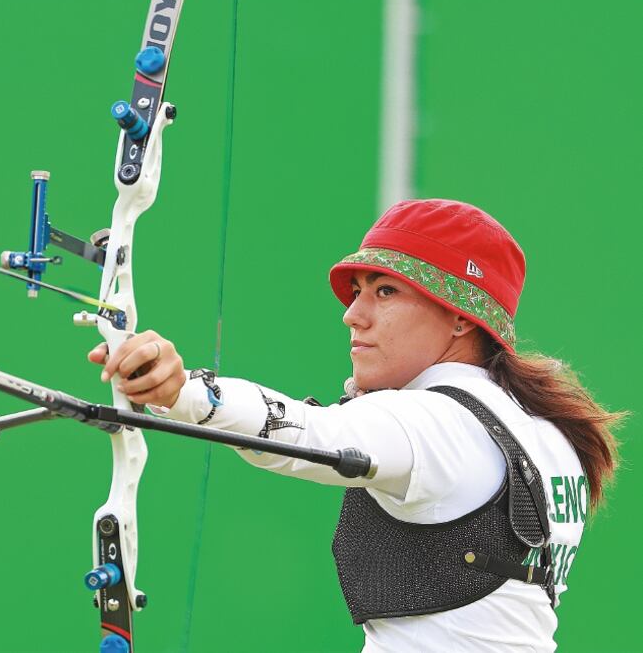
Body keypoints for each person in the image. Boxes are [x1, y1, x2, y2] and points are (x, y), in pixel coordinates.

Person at [88, 199, 623, 652]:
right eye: (358, 290)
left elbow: (309, 433)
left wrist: (182, 393)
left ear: (462, 316)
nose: (353, 314)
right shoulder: (541, 428)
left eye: (385, 291)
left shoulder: (437, 421)